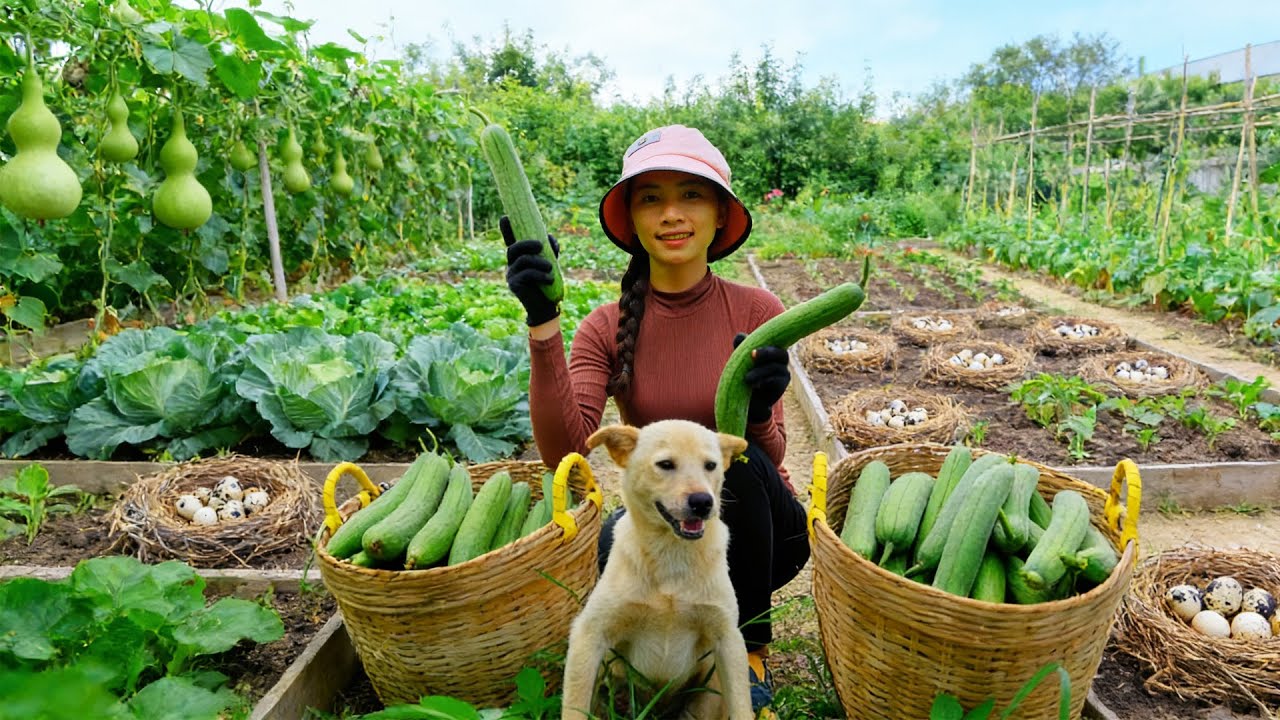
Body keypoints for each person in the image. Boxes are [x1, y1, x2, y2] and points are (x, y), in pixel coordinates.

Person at [502, 124, 810, 714]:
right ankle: (642, 663)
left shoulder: (759, 311)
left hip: (763, 531)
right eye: (651, 197)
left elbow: (766, 457)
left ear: (721, 214)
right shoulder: (604, 326)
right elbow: (563, 454)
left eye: (691, 195)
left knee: (735, 477)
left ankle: (746, 650)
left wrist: (764, 409)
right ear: (632, 219)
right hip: (670, 519)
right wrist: (542, 321)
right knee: (614, 538)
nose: (672, 213)